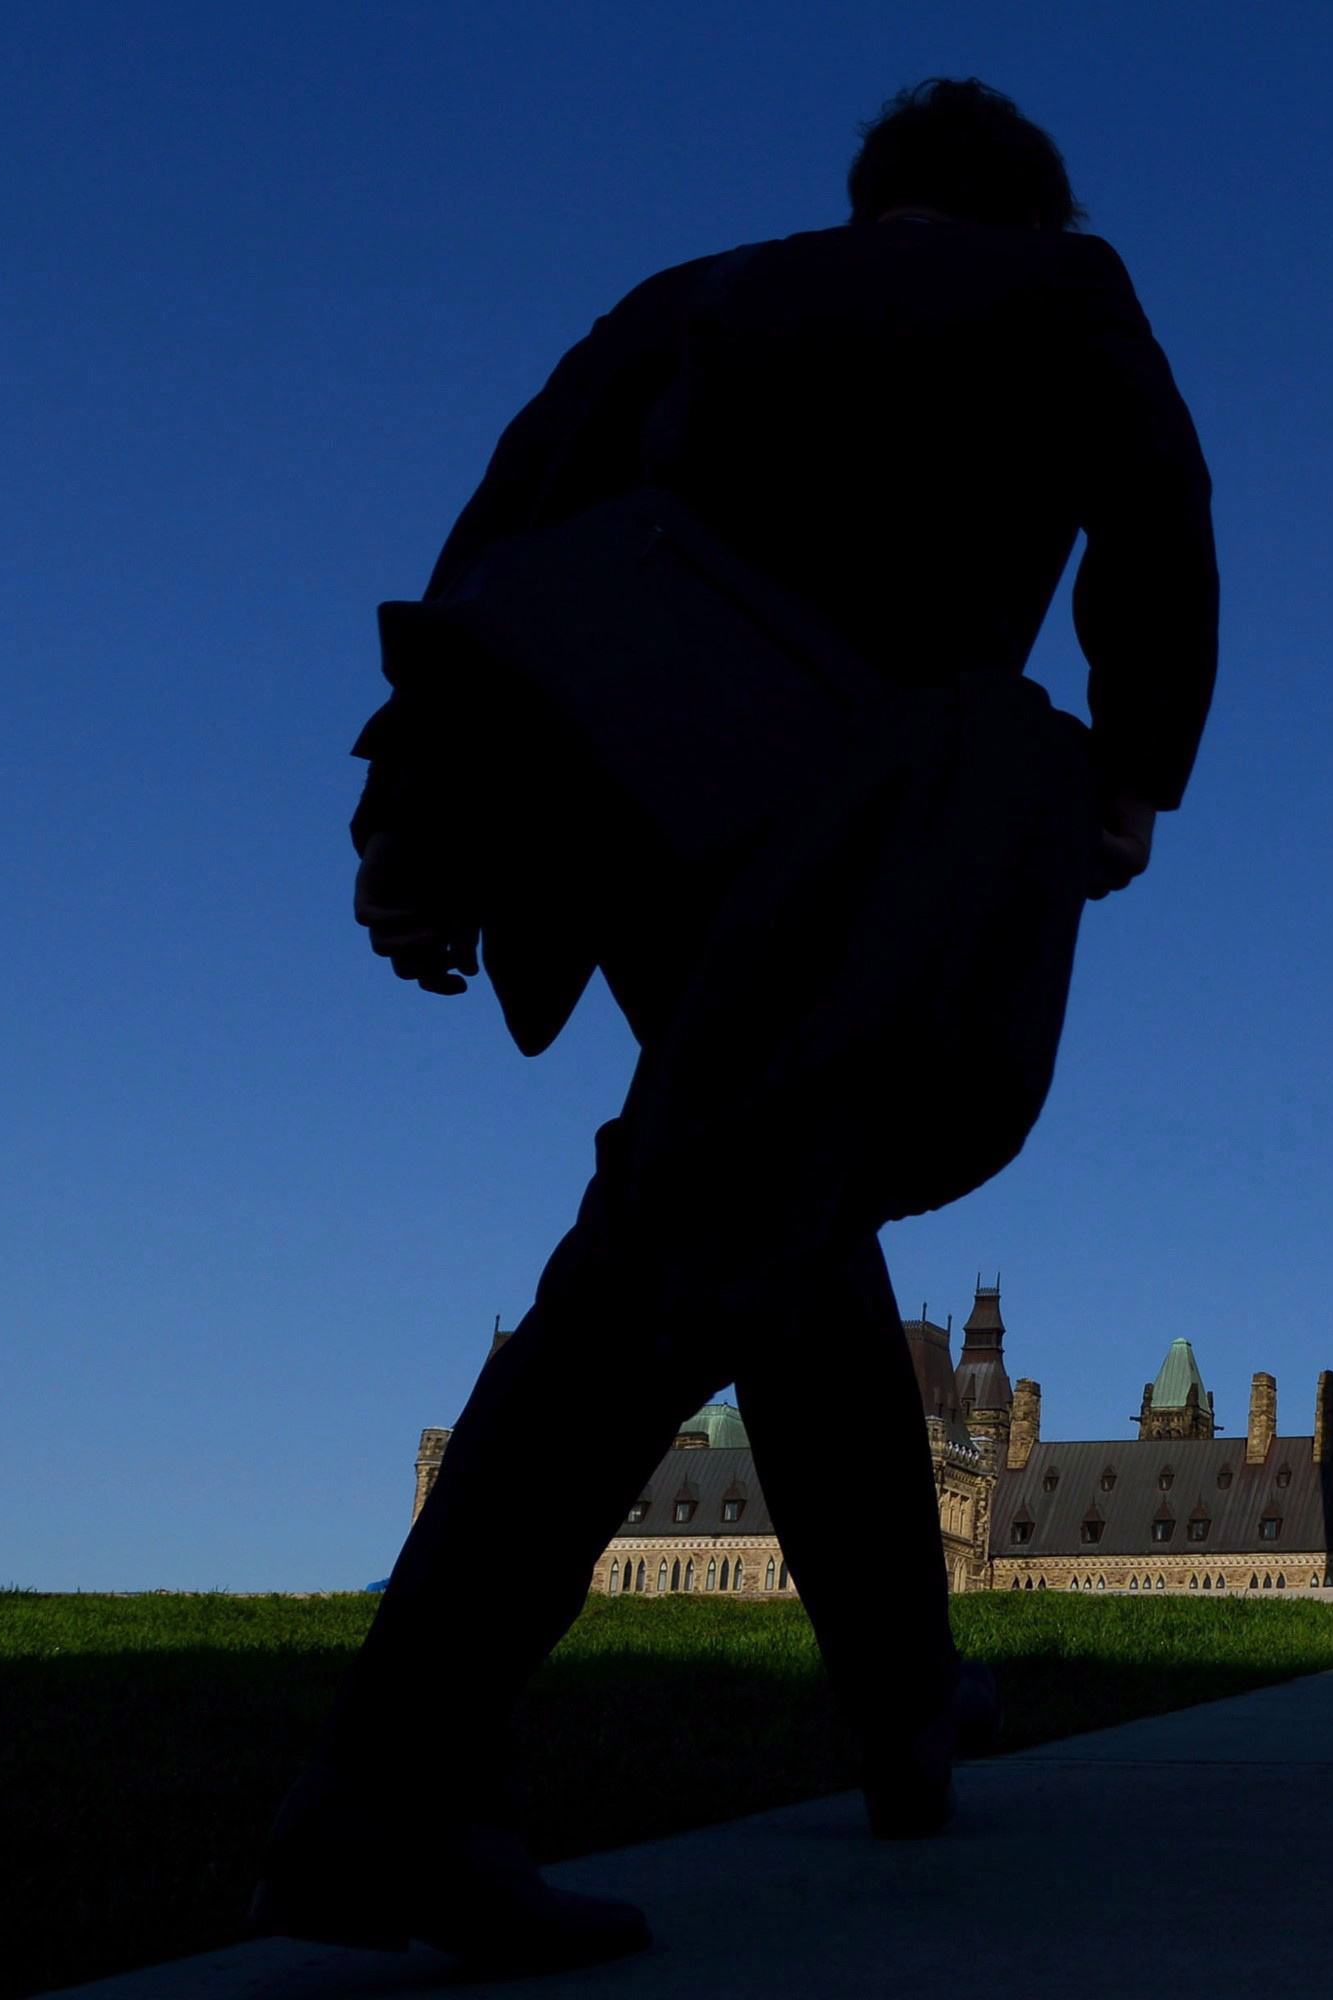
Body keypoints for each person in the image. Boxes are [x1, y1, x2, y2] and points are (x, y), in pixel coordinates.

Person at [250, 78, 1217, 1975]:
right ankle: (389, 1789)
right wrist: (1132, 774)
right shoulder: (1059, 287)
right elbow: (1158, 524)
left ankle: (904, 1695)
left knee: (786, 1225)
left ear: (871, 197)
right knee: (672, 1258)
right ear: (1021, 210)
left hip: (620, 807)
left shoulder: (682, 296)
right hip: (832, 810)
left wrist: (412, 838)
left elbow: (491, 552)